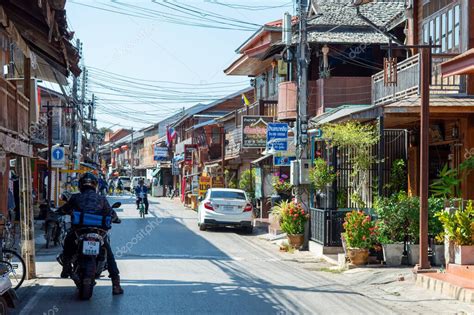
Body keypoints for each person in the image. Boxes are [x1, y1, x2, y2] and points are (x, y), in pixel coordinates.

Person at [56, 172, 124, 295]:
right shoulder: (102, 199)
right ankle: (116, 284)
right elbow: (111, 214)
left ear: (80, 185)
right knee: (109, 254)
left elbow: (64, 210)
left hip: (79, 231)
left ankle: (65, 269)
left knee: (68, 244)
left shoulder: (75, 198)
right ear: (95, 185)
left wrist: (58, 212)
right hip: (99, 232)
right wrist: (117, 219)